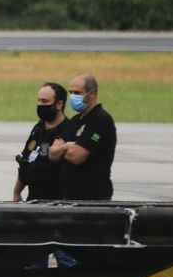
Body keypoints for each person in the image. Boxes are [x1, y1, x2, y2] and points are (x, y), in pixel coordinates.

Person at [49, 73, 117, 201]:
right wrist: (67, 146)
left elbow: (77, 157)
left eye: (77, 92)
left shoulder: (100, 120)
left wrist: (62, 149)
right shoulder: (75, 120)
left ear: (91, 93)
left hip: (93, 198)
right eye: (71, 92)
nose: (73, 96)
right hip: (69, 196)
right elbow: (52, 154)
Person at [14, 82, 73, 201]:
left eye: (45, 101)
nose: (40, 104)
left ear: (59, 104)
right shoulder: (38, 128)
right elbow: (26, 161)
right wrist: (17, 192)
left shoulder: (68, 130)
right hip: (33, 198)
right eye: (39, 100)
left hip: (56, 200)